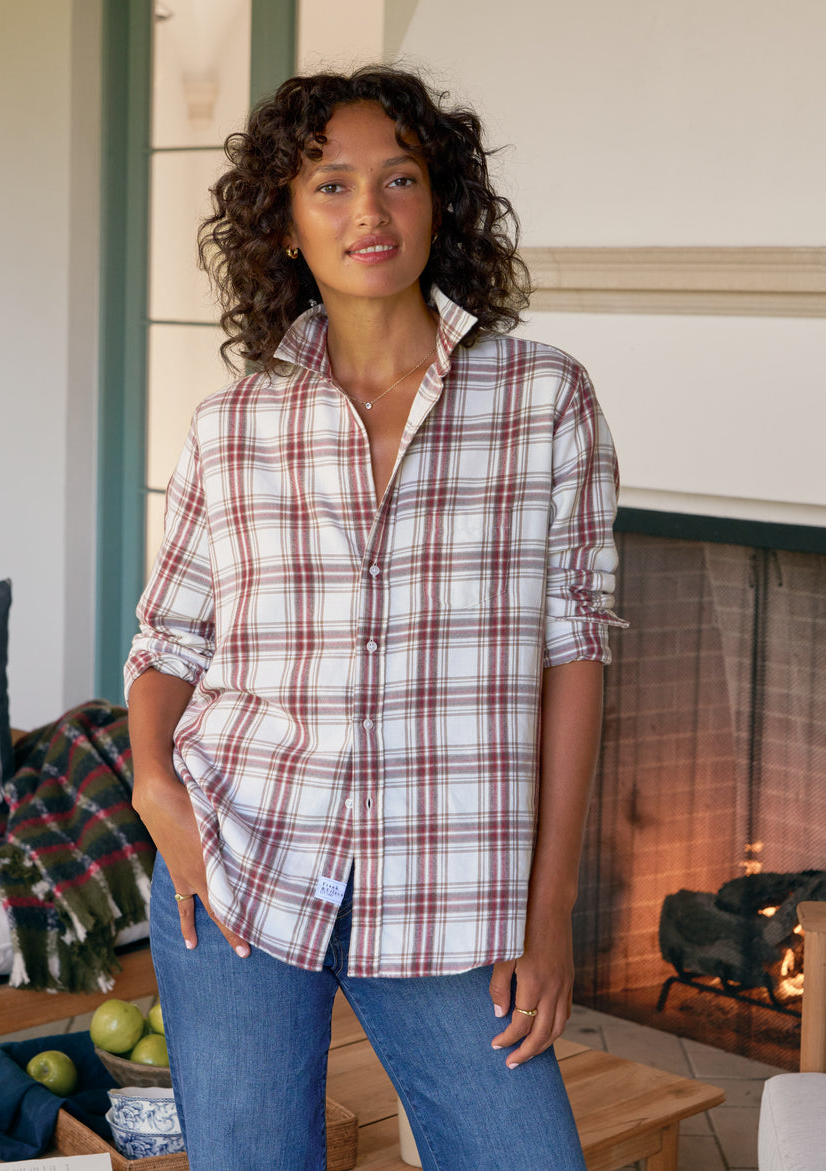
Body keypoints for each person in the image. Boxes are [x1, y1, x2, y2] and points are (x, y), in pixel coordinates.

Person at [124, 65, 624, 1170]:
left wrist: (551, 918)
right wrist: (156, 787)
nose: (369, 211)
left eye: (398, 178)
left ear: (439, 200)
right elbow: (168, 640)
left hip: (455, 884)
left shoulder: (544, 399)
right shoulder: (232, 424)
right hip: (236, 857)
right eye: (332, 186)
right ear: (286, 225)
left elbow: (574, 648)